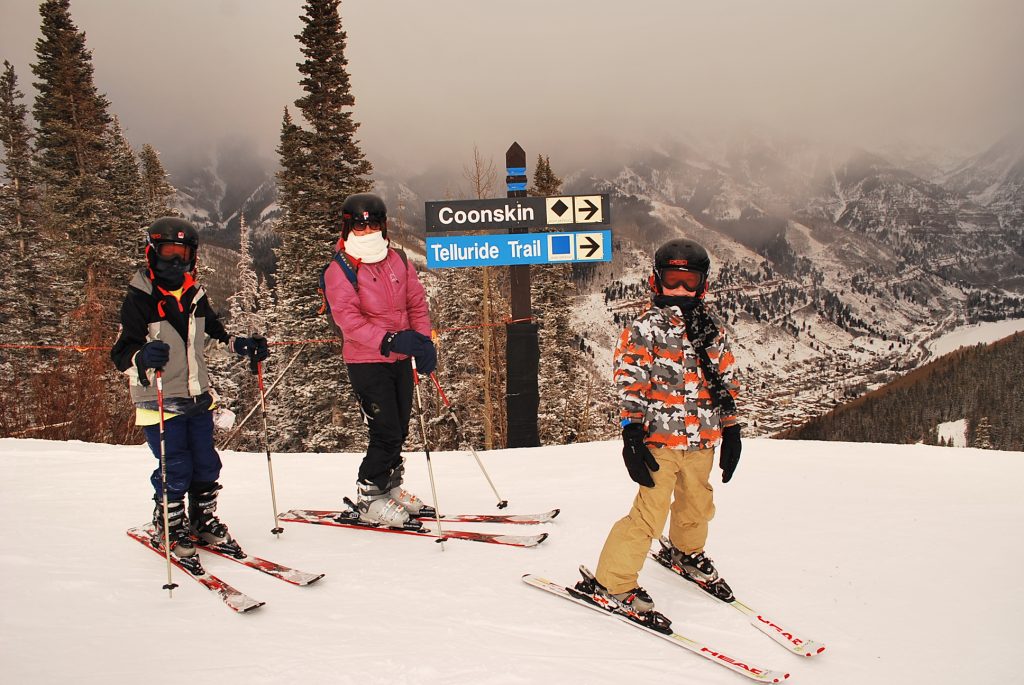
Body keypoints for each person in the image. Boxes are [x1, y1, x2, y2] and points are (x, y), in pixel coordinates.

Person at [577, 238, 743, 627]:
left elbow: (727, 381)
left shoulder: (711, 329)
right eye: (673, 280)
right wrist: (631, 433)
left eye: (689, 281)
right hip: (659, 441)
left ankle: (686, 551)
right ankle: (612, 581)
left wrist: (731, 431)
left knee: (697, 502)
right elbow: (630, 380)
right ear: (657, 280)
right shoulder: (645, 328)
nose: (680, 290)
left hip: (702, 439)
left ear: (702, 285)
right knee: (649, 513)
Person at [111, 217, 270, 558]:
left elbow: (212, 336)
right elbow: (121, 353)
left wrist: (239, 345)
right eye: (168, 251)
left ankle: (202, 519)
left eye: (183, 253)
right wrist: (142, 356)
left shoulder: (194, 294)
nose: (175, 260)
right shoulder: (140, 297)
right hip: (159, 400)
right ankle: (168, 522)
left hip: (198, 396)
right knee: (176, 465)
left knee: (206, 463)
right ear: (152, 252)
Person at [323, 192, 437, 529]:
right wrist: (388, 339)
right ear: (348, 227)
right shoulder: (340, 269)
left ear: (383, 225)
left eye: (373, 223)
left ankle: (390, 485)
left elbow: (416, 302)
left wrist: (423, 342)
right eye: (360, 225)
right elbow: (348, 321)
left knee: (400, 427)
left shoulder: (397, 259)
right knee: (384, 430)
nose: (367, 230)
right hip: (366, 361)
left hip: (400, 358)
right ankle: (370, 493)